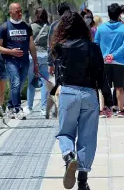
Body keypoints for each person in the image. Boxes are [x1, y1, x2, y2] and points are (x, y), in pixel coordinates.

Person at [51, 11, 104, 190]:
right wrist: (109, 100)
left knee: (65, 133)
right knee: (88, 138)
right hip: (89, 94)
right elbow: (100, 75)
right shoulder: (93, 47)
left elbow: (57, 73)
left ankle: (68, 156)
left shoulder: (60, 46)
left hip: (68, 93)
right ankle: (82, 181)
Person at [0, 3, 39, 120]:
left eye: (20, 11)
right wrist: (11, 52)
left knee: (18, 86)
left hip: (25, 61)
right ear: (10, 12)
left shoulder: (27, 27)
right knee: (15, 83)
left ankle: (9, 107)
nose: (20, 13)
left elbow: (32, 46)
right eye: (17, 11)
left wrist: (36, 63)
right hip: (11, 61)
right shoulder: (4, 27)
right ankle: (17, 109)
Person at [95, 3, 124, 117]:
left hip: (103, 61)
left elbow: (96, 44)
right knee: (120, 87)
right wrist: (114, 55)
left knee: (103, 87)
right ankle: (120, 110)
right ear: (120, 15)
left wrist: (105, 56)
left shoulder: (100, 29)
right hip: (119, 62)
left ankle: (103, 109)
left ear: (108, 14)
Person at [25, 7, 51, 116]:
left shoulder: (31, 27)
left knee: (31, 81)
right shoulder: (49, 28)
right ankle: (43, 108)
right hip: (45, 56)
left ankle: (29, 107)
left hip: (32, 56)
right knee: (44, 83)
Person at [47, 2, 71, 73]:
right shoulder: (76, 25)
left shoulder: (54, 26)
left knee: (60, 82)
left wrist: (50, 64)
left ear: (58, 12)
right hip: (74, 60)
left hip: (59, 61)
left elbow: (50, 46)